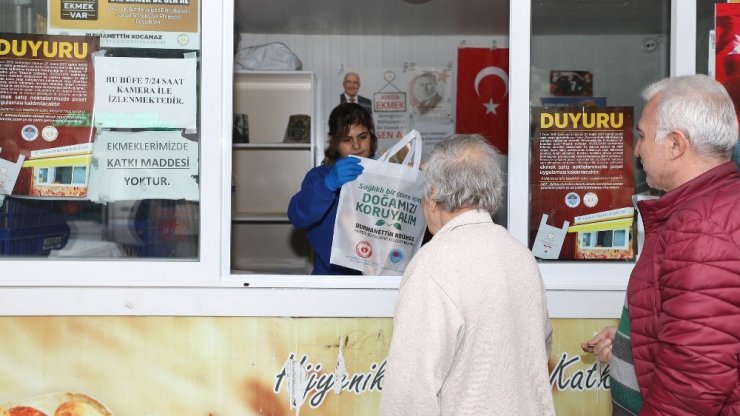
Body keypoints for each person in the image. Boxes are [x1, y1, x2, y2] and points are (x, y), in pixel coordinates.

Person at [581, 74, 740, 415]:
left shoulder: (702, 229)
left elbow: (693, 381)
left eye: (641, 135)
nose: (636, 149)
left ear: (676, 144)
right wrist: (633, 342)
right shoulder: (703, 211)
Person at [379, 134, 555, 415]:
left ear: (434, 194)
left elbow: (409, 393)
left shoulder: (432, 264)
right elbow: (541, 348)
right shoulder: (521, 256)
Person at [287, 103, 378, 275]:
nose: (357, 146)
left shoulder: (386, 177)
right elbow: (297, 216)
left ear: (371, 136)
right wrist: (327, 185)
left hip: (378, 282)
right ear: (334, 141)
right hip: (331, 283)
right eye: (346, 139)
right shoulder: (320, 177)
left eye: (362, 136)